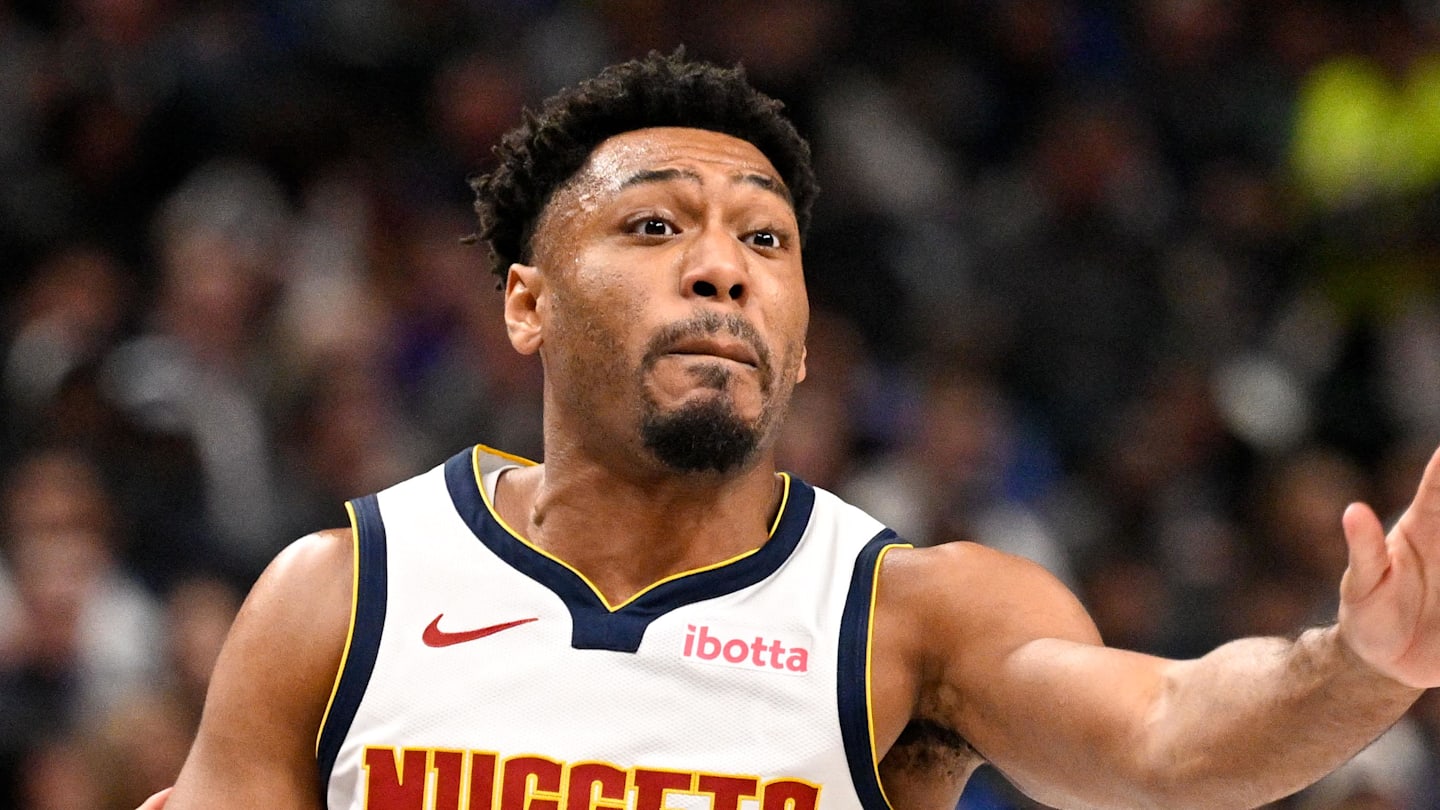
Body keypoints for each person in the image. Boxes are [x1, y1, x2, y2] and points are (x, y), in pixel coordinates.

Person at [144, 52, 1438, 810]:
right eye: (655, 226)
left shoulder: (913, 616)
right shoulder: (344, 592)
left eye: (764, 239)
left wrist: (1365, 664)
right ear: (527, 304)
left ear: (805, 335)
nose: (724, 272)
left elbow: (1165, 733)